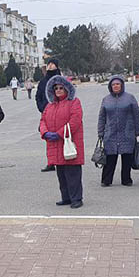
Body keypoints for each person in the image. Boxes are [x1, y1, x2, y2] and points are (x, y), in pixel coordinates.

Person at [39, 75, 84, 208]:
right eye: (56, 88)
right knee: (62, 174)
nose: (58, 90)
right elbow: (42, 121)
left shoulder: (74, 102)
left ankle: (76, 198)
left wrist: (59, 134)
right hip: (55, 144)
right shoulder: (50, 106)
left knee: (72, 174)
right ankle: (66, 197)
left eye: (61, 88)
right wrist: (45, 133)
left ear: (66, 89)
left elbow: (75, 121)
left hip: (69, 143)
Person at [97, 75, 139, 187]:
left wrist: (138, 130)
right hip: (111, 133)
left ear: (122, 85)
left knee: (127, 157)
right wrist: (100, 131)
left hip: (127, 132)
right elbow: (102, 117)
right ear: (110, 86)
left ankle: (126, 179)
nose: (115, 86)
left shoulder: (130, 98)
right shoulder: (106, 99)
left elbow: (136, 115)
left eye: (117, 84)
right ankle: (106, 180)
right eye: (113, 84)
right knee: (110, 157)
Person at [36, 58, 62, 172]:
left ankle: (62, 159)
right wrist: (42, 108)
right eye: (49, 64)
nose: (50, 66)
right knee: (49, 138)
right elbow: (38, 96)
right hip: (47, 113)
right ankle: (51, 162)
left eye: (53, 64)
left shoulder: (60, 80)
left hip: (60, 113)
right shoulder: (43, 81)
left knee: (60, 136)